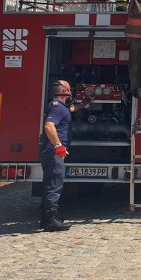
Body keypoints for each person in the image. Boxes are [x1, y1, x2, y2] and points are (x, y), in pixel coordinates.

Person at [39, 80, 89, 231]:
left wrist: (84, 105)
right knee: (54, 184)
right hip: (54, 152)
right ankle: (50, 221)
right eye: (70, 89)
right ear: (66, 91)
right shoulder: (58, 108)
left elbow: (69, 110)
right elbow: (49, 126)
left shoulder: (58, 106)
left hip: (49, 152)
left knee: (50, 183)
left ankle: (46, 218)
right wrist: (58, 145)